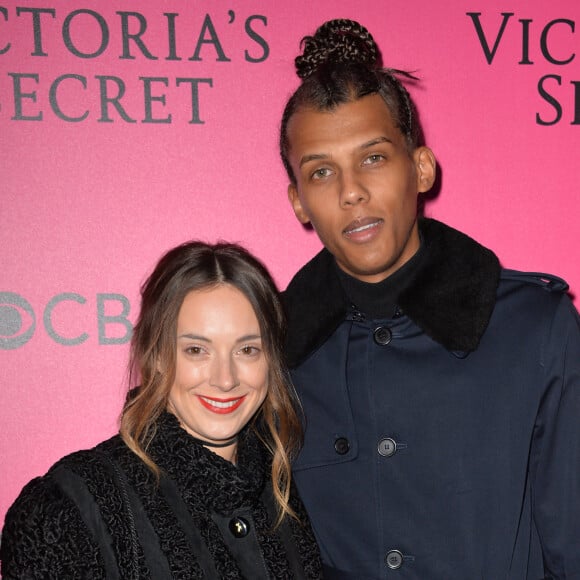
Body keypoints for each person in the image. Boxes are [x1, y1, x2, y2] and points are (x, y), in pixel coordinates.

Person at [279, 18, 580, 579]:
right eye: (322, 172)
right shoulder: (268, 349)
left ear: (420, 167)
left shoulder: (537, 328)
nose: (351, 192)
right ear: (298, 201)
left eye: (373, 157)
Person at [1, 241, 322, 579]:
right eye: (197, 350)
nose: (225, 379)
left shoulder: (290, 487)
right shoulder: (74, 508)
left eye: (248, 349)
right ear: (155, 355)